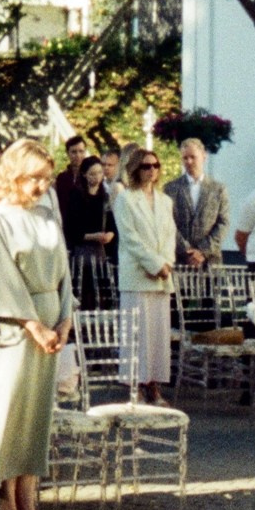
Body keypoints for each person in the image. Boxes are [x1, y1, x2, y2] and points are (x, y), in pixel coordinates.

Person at [0, 139, 74, 510]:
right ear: (13, 176)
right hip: (19, 331)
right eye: (33, 178)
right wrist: (33, 325)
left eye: (45, 179)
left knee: (38, 417)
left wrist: (65, 319)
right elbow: (1, 278)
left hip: (51, 326)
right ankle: (5, 506)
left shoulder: (48, 218)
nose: (40, 186)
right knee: (12, 414)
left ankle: (30, 505)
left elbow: (64, 272)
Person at [112, 145, 175, 404]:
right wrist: (153, 264)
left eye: (156, 166)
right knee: (137, 333)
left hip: (161, 276)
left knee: (158, 334)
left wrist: (166, 263)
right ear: (136, 169)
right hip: (137, 273)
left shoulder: (165, 201)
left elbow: (170, 234)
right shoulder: (125, 199)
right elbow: (129, 238)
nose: (152, 171)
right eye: (147, 166)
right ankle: (135, 383)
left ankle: (154, 385)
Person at [62, 155, 117, 307]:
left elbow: (112, 224)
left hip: (101, 251)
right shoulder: (76, 195)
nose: (97, 177)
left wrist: (109, 235)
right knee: (84, 292)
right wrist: (93, 236)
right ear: (84, 174)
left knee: (102, 290)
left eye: (100, 173)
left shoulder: (105, 196)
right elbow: (71, 229)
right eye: (93, 173)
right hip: (82, 252)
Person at [167, 138, 229, 268]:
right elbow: (167, 223)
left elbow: (223, 223)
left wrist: (202, 251)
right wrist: (186, 251)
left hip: (210, 262)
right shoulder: (171, 188)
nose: (189, 162)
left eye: (193, 157)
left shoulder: (218, 189)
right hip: (181, 261)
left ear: (204, 156)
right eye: (185, 158)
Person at [54, 135, 89, 204]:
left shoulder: (90, 176)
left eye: (81, 151)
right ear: (67, 153)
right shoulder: (62, 178)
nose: (78, 155)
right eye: (74, 152)